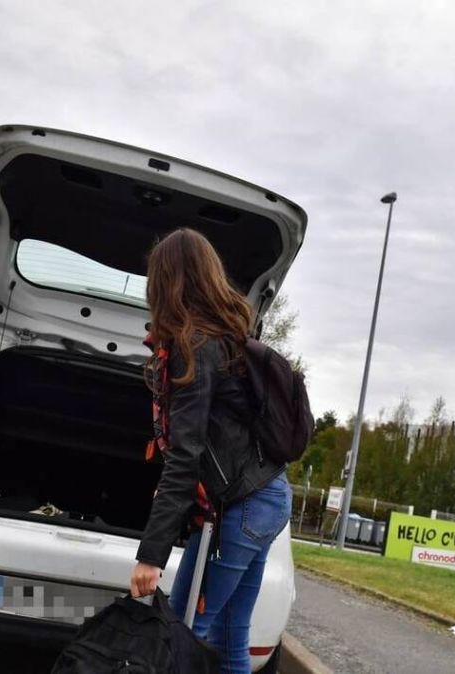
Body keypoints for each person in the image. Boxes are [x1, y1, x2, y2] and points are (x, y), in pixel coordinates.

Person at [129, 228, 292, 673]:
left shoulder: (193, 348)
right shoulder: (224, 337)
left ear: (166, 282)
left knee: (184, 632)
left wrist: (151, 555)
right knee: (230, 634)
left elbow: (185, 455)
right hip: (269, 495)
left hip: (244, 506)